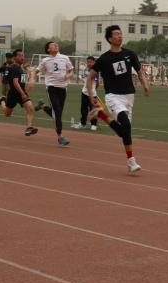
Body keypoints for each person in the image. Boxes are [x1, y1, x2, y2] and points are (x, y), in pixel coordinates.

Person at [87, 25, 150, 174]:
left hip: (129, 96)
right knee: (126, 125)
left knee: (125, 131)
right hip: (113, 96)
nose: (120, 36)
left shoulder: (130, 54)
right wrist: (91, 96)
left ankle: (101, 114)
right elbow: (90, 79)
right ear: (110, 38)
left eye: (121, 34)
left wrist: (145, 85)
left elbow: (139, 72)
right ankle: (131, 161)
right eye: (116, 34)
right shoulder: (104, 58)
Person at [35, 41, 74, 146]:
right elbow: (36, 71)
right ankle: (60, 137)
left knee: (58, 113)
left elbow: (71, 70)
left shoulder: (65, 58)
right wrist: (31, 79)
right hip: (51, 87)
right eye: (53, 44)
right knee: (57, 110)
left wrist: (68, 75)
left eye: (56, 44)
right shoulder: (45, 60)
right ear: (48, 49)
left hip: (63, 88)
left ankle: (42, 106)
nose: (56, 45)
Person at [0, 48, 38, 136]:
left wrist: (30, 77)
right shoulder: (14, 68)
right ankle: (2, 101)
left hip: (21, 92)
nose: (22, 57)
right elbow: (15, 82)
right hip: (13, 94)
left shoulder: (20, 68)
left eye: (23, 55)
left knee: (30, 108)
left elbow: (22, 81)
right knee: (7, 114)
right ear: (14, 57)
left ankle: (29, 128)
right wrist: (22, 94)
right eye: (20, 55)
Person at [72, 56, 101, 131]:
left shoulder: (95, 72)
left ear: (94, 62)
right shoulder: (85, 70)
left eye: (91, 62)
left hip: (93, 94)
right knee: (83, 110)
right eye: (88, 62)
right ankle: (83, 124)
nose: (89, 63)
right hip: (84, 93)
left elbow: (97, 83)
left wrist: (93, 90)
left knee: (93, 110)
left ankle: (93, 125)